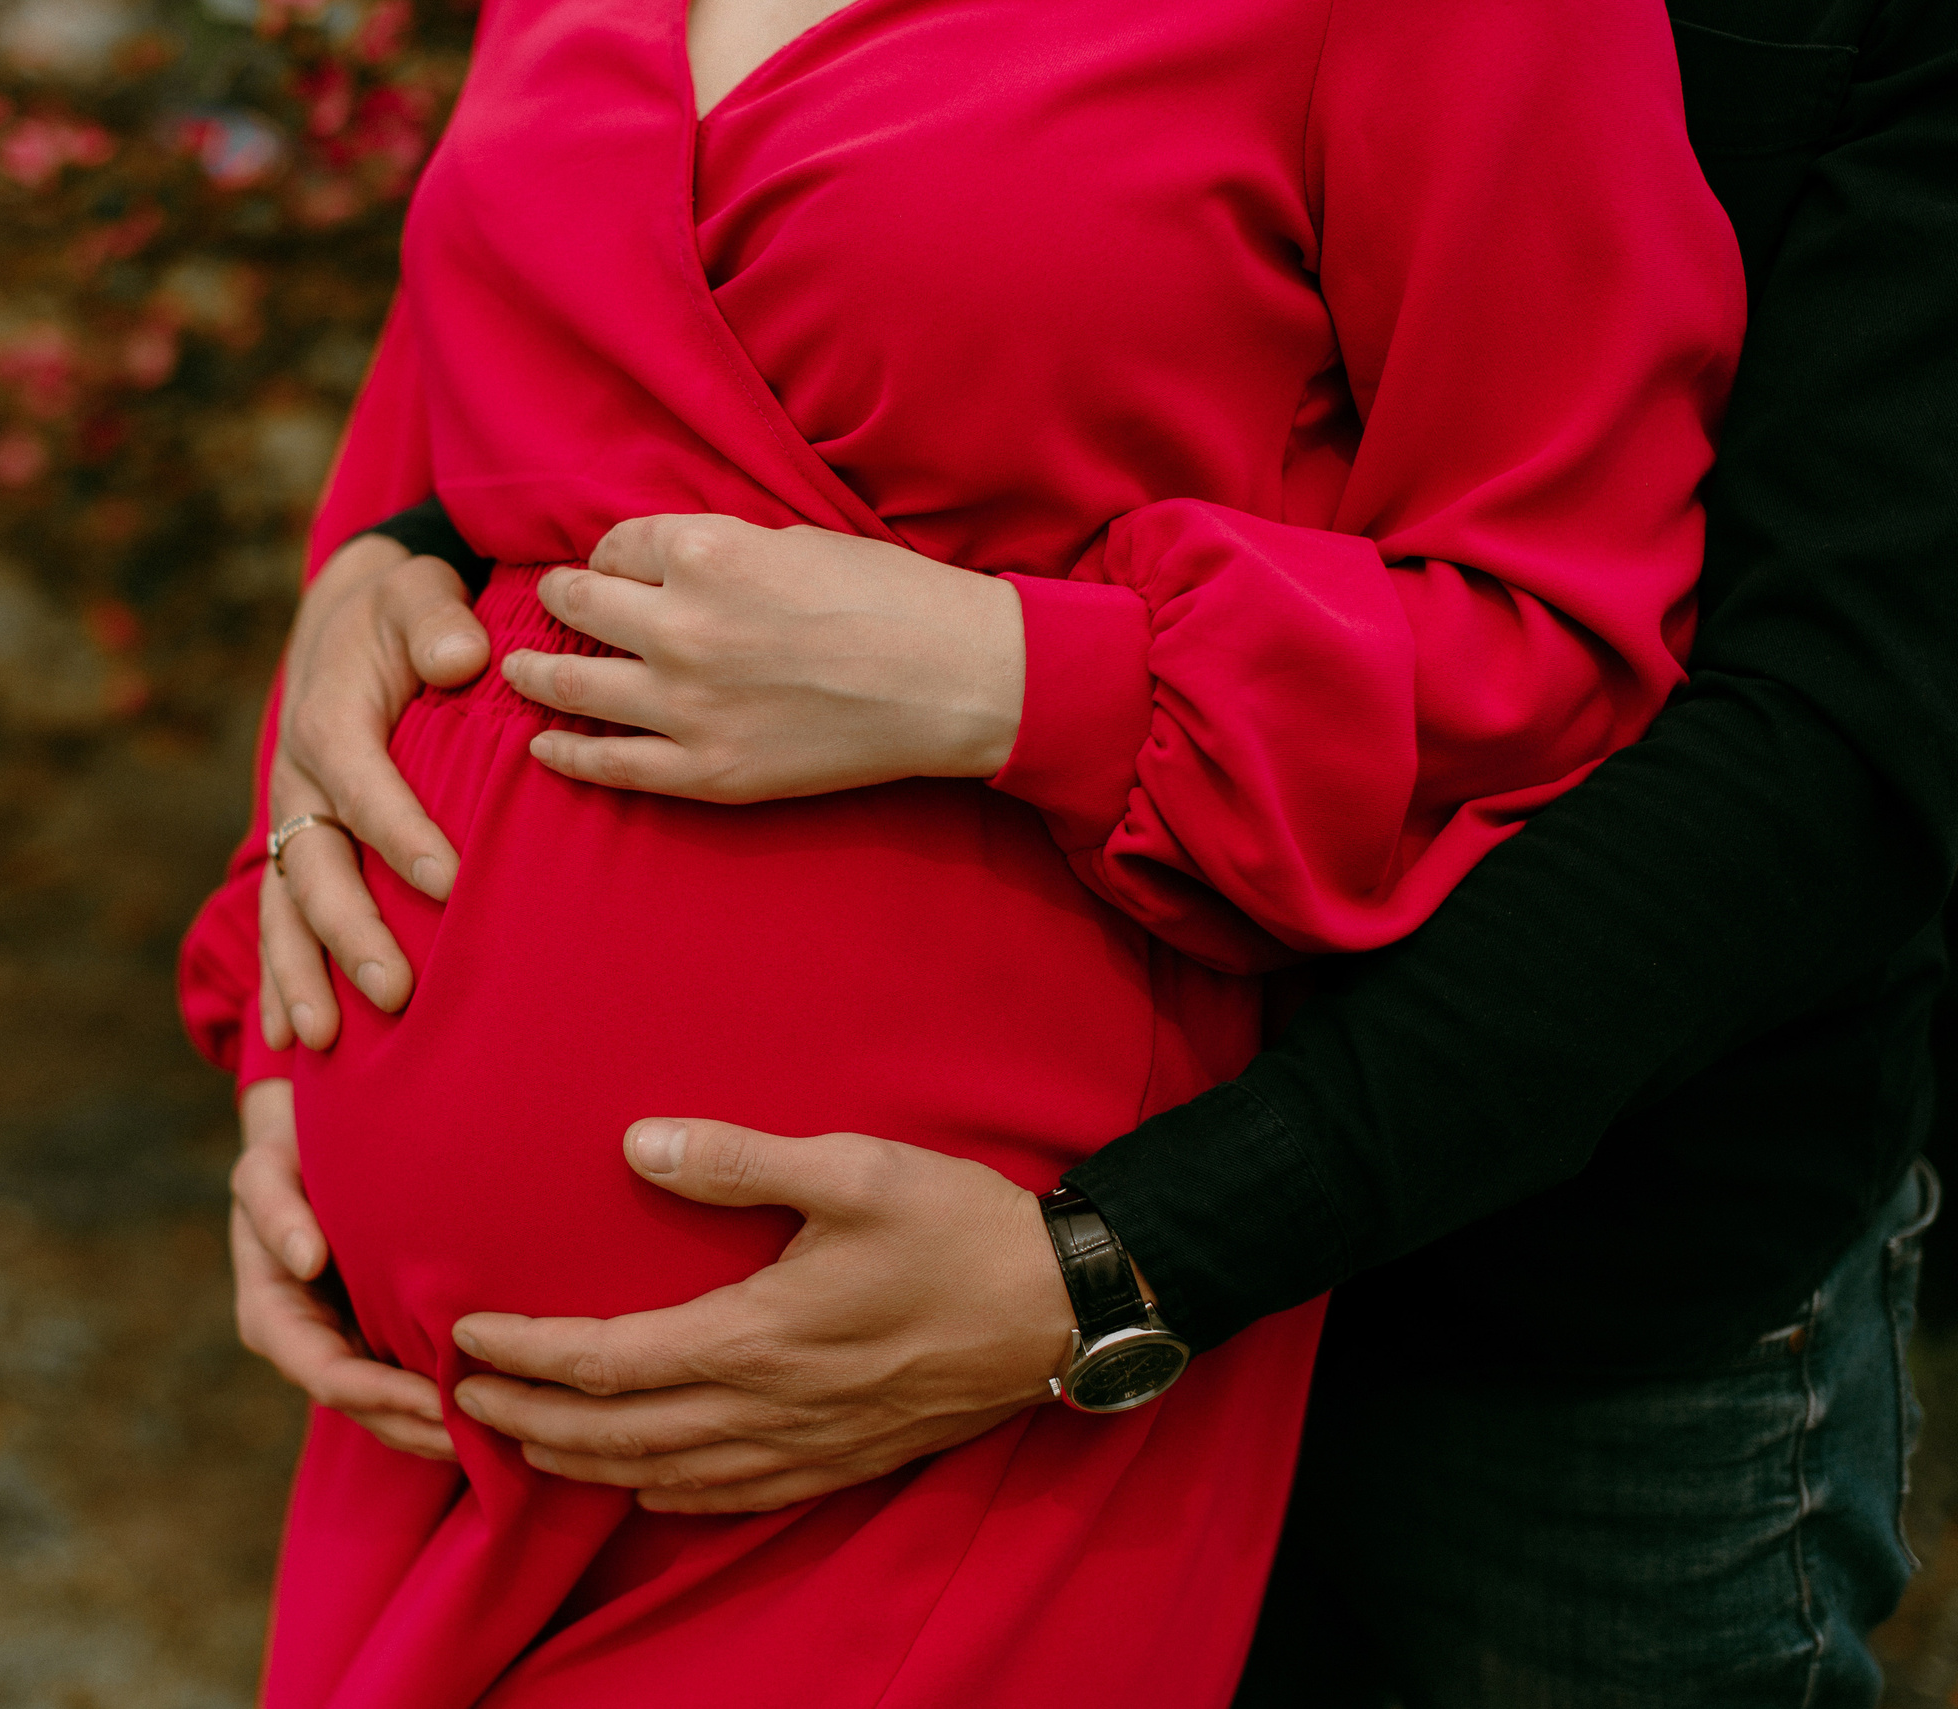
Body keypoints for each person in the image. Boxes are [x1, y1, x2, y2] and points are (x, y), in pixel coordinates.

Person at [223, 0, 1958, 1702]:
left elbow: (1823, 739)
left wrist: (1114, 1265)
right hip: (476, 1423)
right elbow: (517, 396)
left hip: (1510, 1270)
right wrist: (301, 930)